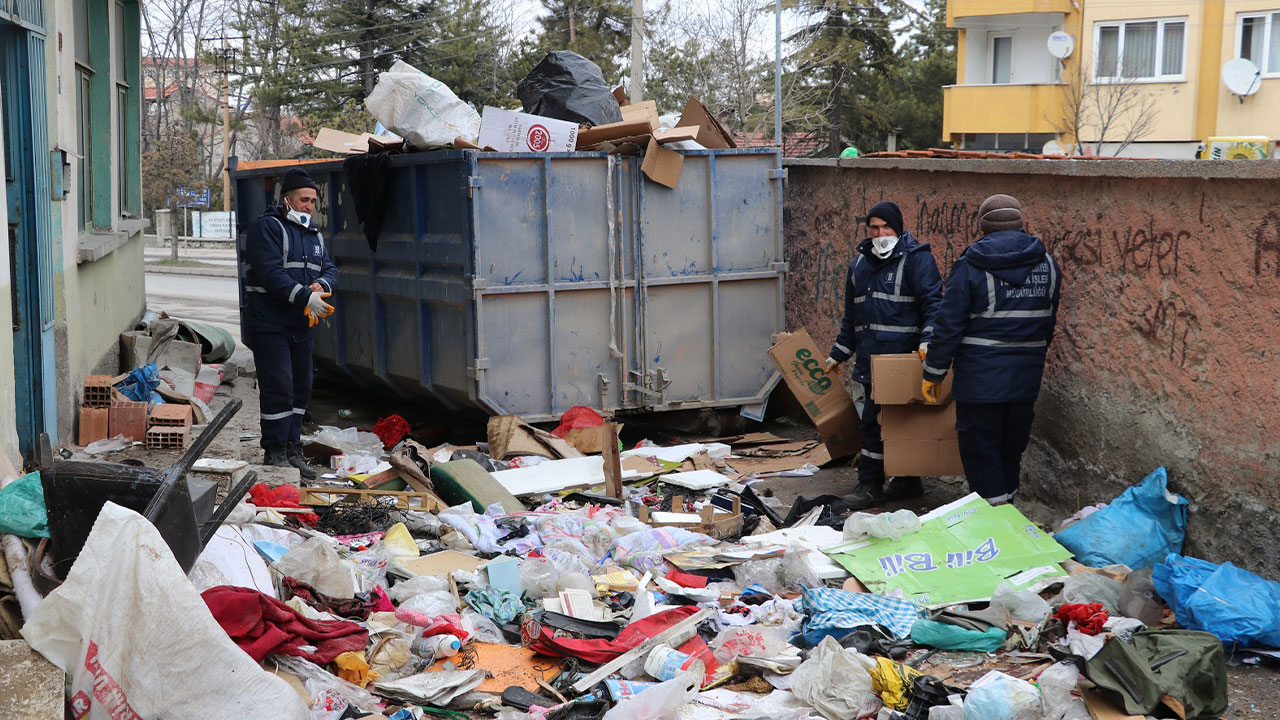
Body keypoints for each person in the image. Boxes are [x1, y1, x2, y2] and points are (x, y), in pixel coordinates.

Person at [920, 194, 1062, 505]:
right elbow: (1046, 325)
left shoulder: (971, 266)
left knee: (981, 451)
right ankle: (1006, 510)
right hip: (1025, 379)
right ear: (1020, 223)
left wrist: (933, 372)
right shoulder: (1049, 265)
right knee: (1011, 449)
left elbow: (948, 325)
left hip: (980, 382)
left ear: (983, 227)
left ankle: (995, 520)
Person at [825, 201, 943, 509]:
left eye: (886, 227)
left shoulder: (918, 261)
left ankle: (891, 482)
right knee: (874, 424)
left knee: (902, 424)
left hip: (904, 362)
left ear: (898, 228)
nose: (880, 234)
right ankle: (878, 484)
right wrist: (839, 352)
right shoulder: (859, 266)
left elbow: (934, 305)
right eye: (874, 228)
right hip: (872, 363)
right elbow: (852, 318)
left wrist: (929, 341)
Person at [241, 167, 338, 479]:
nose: (309, 205)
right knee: (279, 386)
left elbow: (331, 267)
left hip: (299, 325)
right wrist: (303, 297)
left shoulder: (314, 234)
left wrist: (322, 285)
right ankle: (275, 449)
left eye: (313, 200)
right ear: (287, 200)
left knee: (301, 387)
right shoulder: (266, 228)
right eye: (304, 199)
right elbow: (270, 274)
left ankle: (293, 447)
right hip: (269, 322)